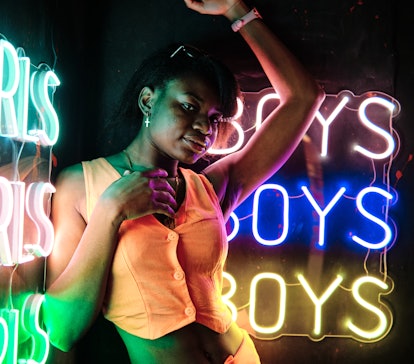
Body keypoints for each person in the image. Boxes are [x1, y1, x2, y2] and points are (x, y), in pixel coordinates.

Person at [43, 0, 325, 363]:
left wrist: (238, 12)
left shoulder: (212, 188)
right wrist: (111, 211)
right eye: (189, 106)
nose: (205, 128)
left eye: (214, 117)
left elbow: (304, 98)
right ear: (148, 100)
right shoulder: (81, 186)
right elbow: (63, 331)